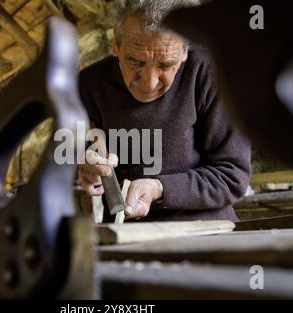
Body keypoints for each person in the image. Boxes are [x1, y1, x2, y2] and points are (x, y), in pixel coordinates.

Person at [78, 0, 251, 222]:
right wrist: (84, 168)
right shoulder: (89, 85)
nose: (149, 83)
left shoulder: (211, 74)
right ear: (116, 44)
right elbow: (67, 154)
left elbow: (232, 176)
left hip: (206, 232)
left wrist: (159, 188)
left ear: (185, 52)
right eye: (135, 62)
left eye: (166, 65)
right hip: (124, 237)